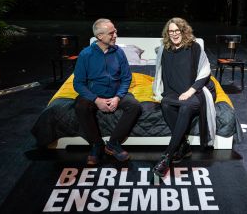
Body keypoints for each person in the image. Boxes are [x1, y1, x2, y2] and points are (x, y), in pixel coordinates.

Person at [152, 17, 216, 177]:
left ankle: (166, 157)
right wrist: (159, 91)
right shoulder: (164, 49)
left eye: (177, 30)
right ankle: (184, 146)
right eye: (171, 31)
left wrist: (190, 91)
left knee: (187, 105)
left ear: (183, 30)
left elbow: (205, 70)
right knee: (165, 104)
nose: (174, 34)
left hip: (195, 92)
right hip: (173, 93)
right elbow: (159, 72)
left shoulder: (194, 47)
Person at [73, 18, 141, 166]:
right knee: (80, 106)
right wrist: (96, 99)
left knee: (134, 105)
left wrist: (117, 97)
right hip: (94, 94)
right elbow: (78, 83)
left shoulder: (119, 52)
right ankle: (96, 144)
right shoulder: (86, 54)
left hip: (115, 92)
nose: (115, 35)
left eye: (115, 31)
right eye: (111, 33)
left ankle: (113, 144)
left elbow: (126, 78)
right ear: (99, 36)